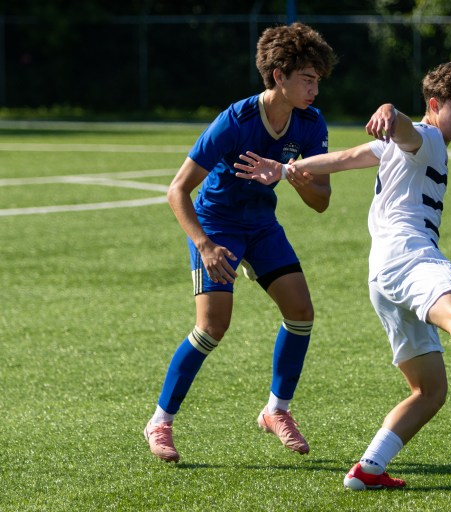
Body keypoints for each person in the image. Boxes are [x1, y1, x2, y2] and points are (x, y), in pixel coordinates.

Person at [234, 61, 451, 489]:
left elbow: (347, 157)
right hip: (412, 256)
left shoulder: (404, 143)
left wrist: (284, 170)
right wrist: (392, 112)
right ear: (435, 104)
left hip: (381, 274)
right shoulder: (427, 138)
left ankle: (368, 469)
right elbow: (408, 130)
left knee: (429, 391)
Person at [143, 22, 338, 463]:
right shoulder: (235, 121)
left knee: (301, 312)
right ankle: (160, 421)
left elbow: (321, 201)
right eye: (307, 79)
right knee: (213, 327)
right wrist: (205, 245)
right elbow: (177, 190)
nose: (315, 90)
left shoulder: (310, 123)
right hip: (218, 226)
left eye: (318, 80)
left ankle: (276, 411)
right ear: (279, 76)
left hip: (262, 225)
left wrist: (291, 175)